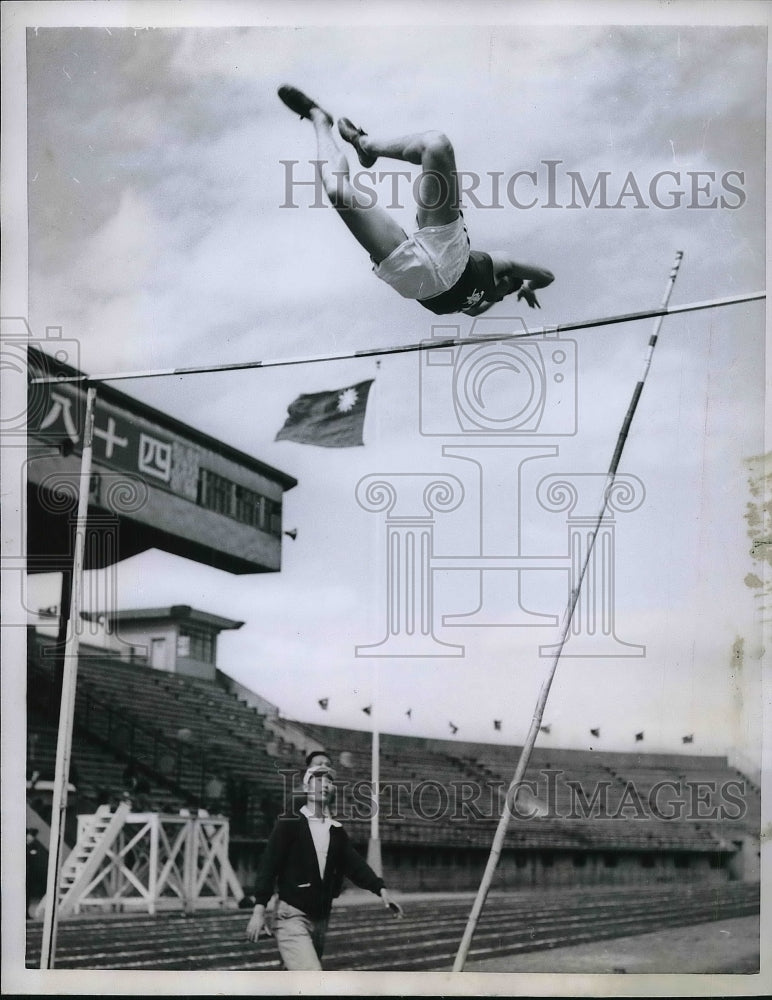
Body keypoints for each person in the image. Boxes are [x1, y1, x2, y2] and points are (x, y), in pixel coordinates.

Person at [277, 85, 555, 317]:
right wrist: (529, 288)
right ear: (506, 280)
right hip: (447, 248)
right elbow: (546, 274)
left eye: (504, 295)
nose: (502, 294)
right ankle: (366, 145)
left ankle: (318, 119)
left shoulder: (476, 303)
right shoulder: (499, 264)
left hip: (411, 275)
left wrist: (498, 297)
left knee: (338, 192)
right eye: (505, 289)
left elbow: (474, 310)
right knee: (436, 145)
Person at [245, 758, 403, 970]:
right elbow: (269, 864)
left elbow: (355, 865)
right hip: (291, 915)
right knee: (312, 977)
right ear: (306, 788)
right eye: (318, 780)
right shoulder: (290, 822)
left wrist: (380, 889)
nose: (325, 785)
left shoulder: (335, 830)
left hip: (320, 917)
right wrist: (258, 910)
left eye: (329, 782)